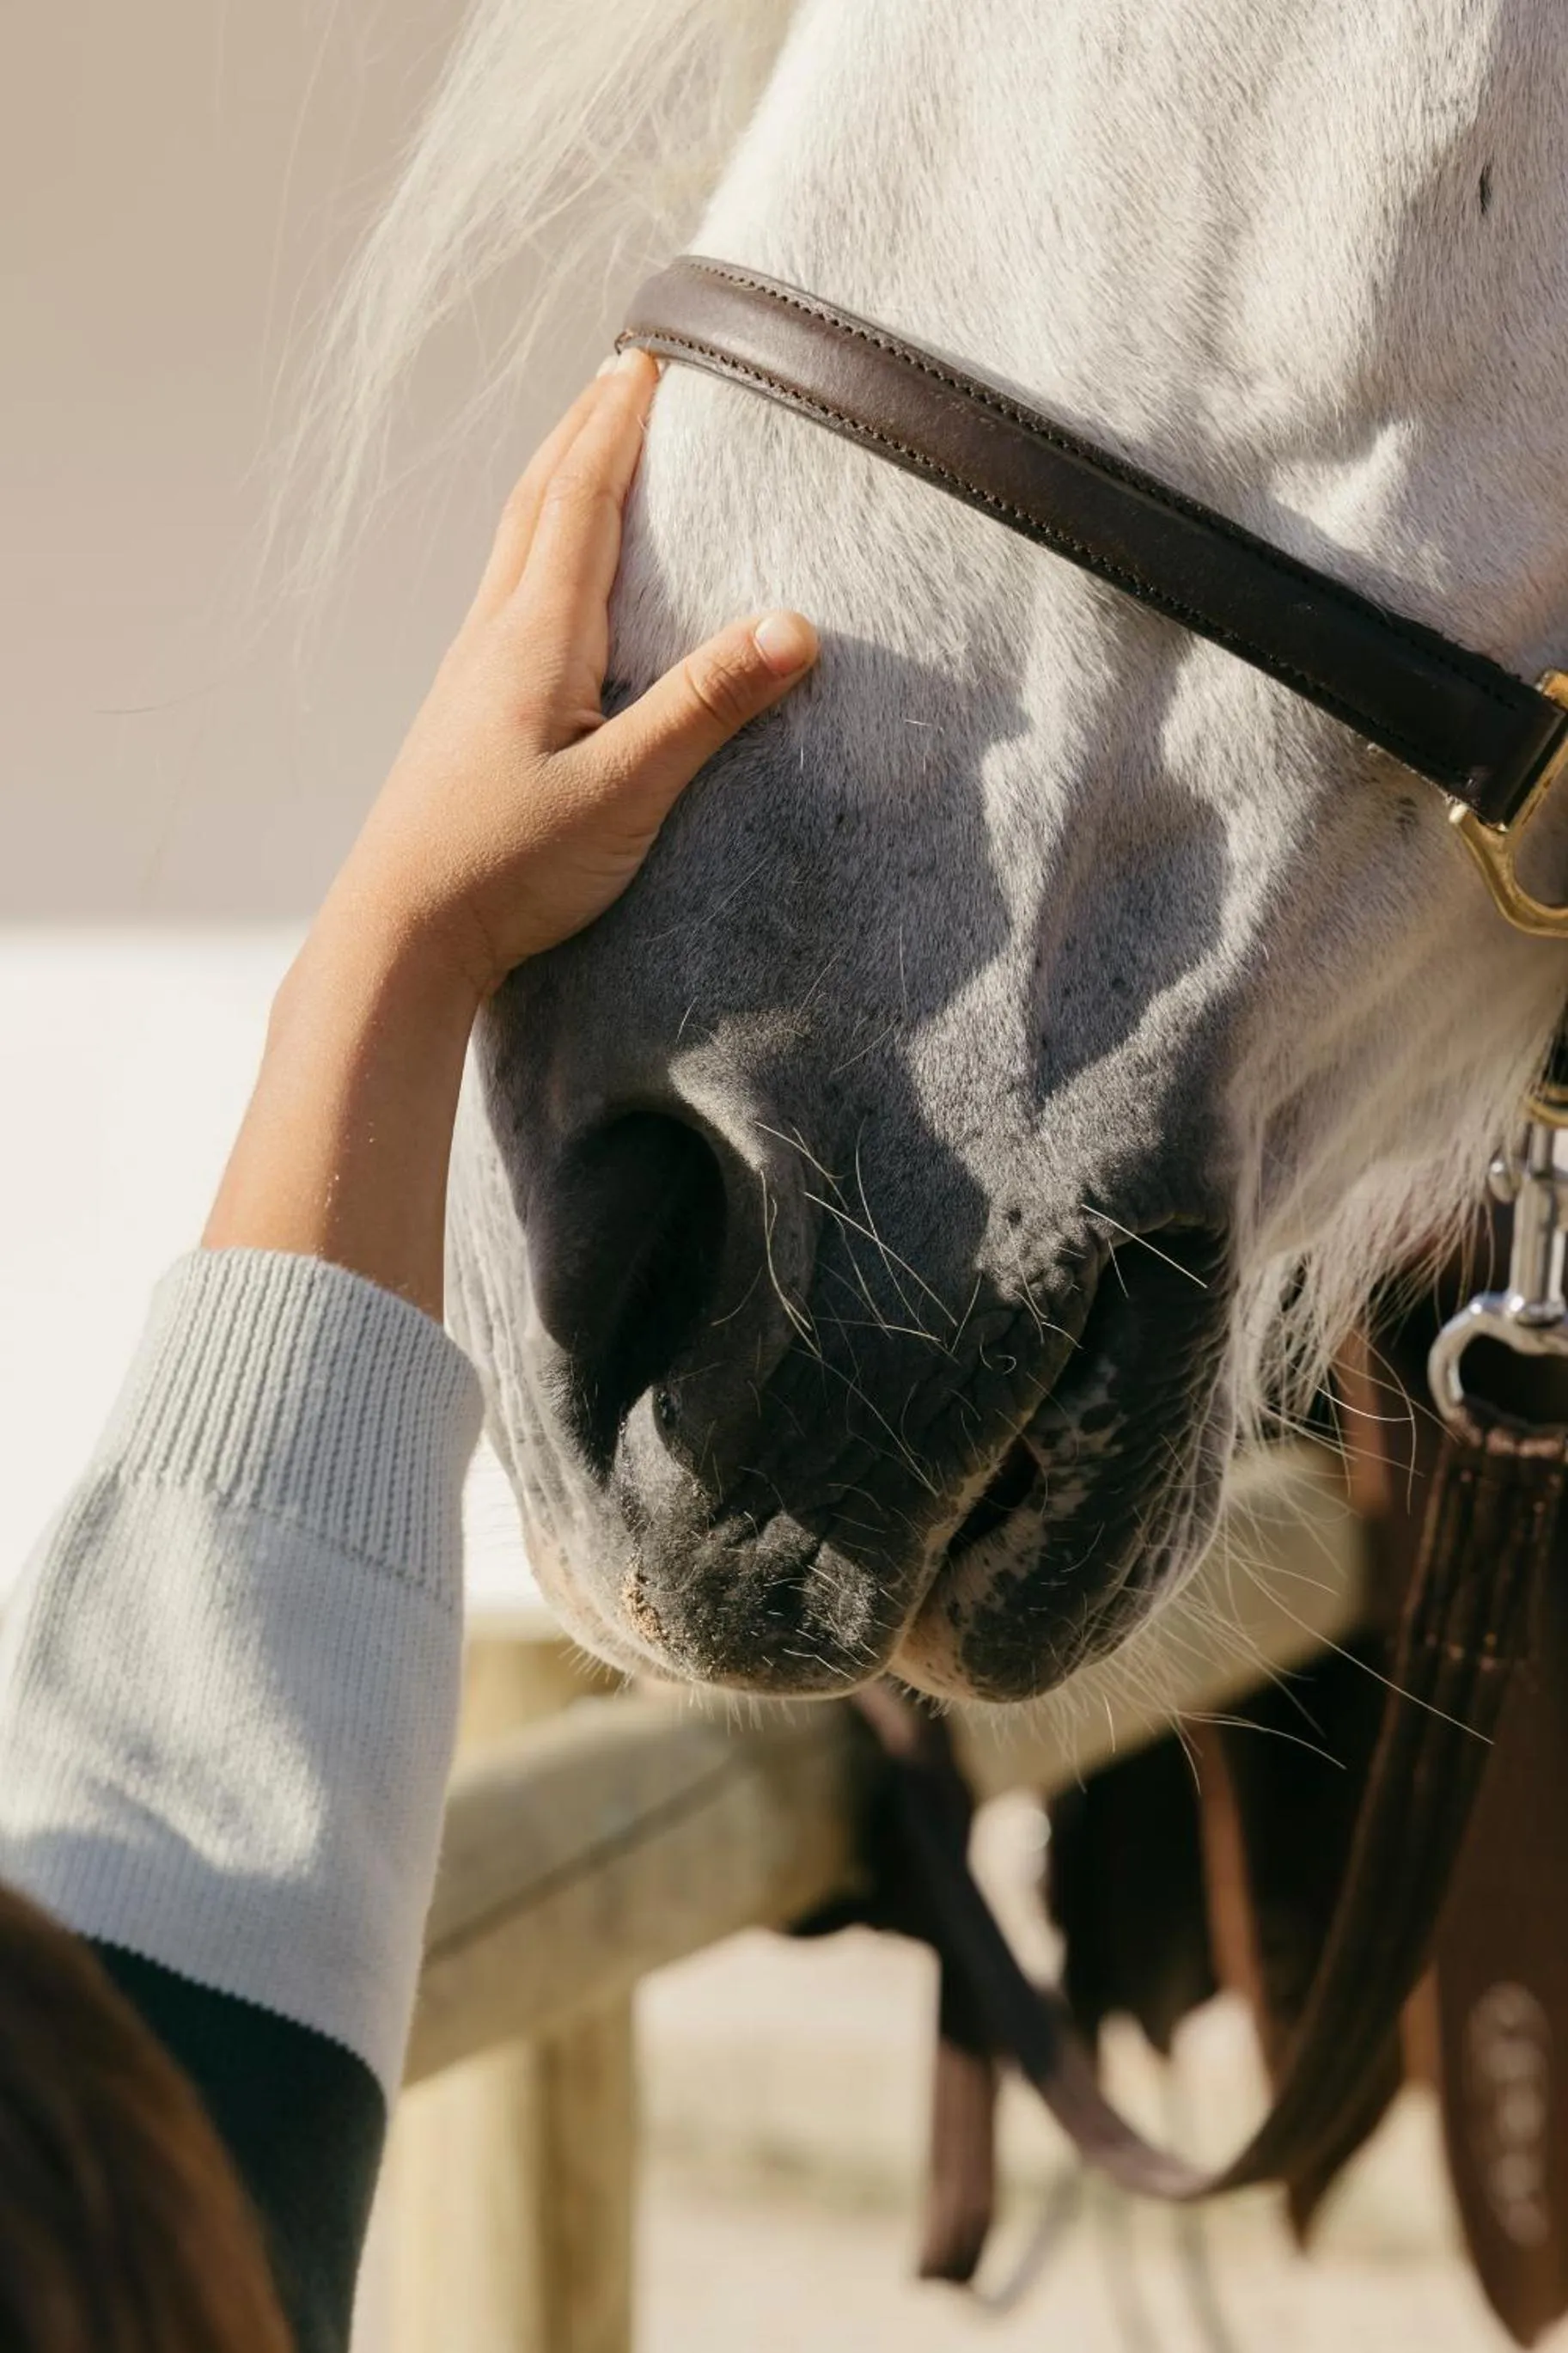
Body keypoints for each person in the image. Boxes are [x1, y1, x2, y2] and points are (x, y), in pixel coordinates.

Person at [0, 346, 818, 2351]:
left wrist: (403, 945)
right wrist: (400, 952)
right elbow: (199, 1891)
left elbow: (197, 1887)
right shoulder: (104, 2199)